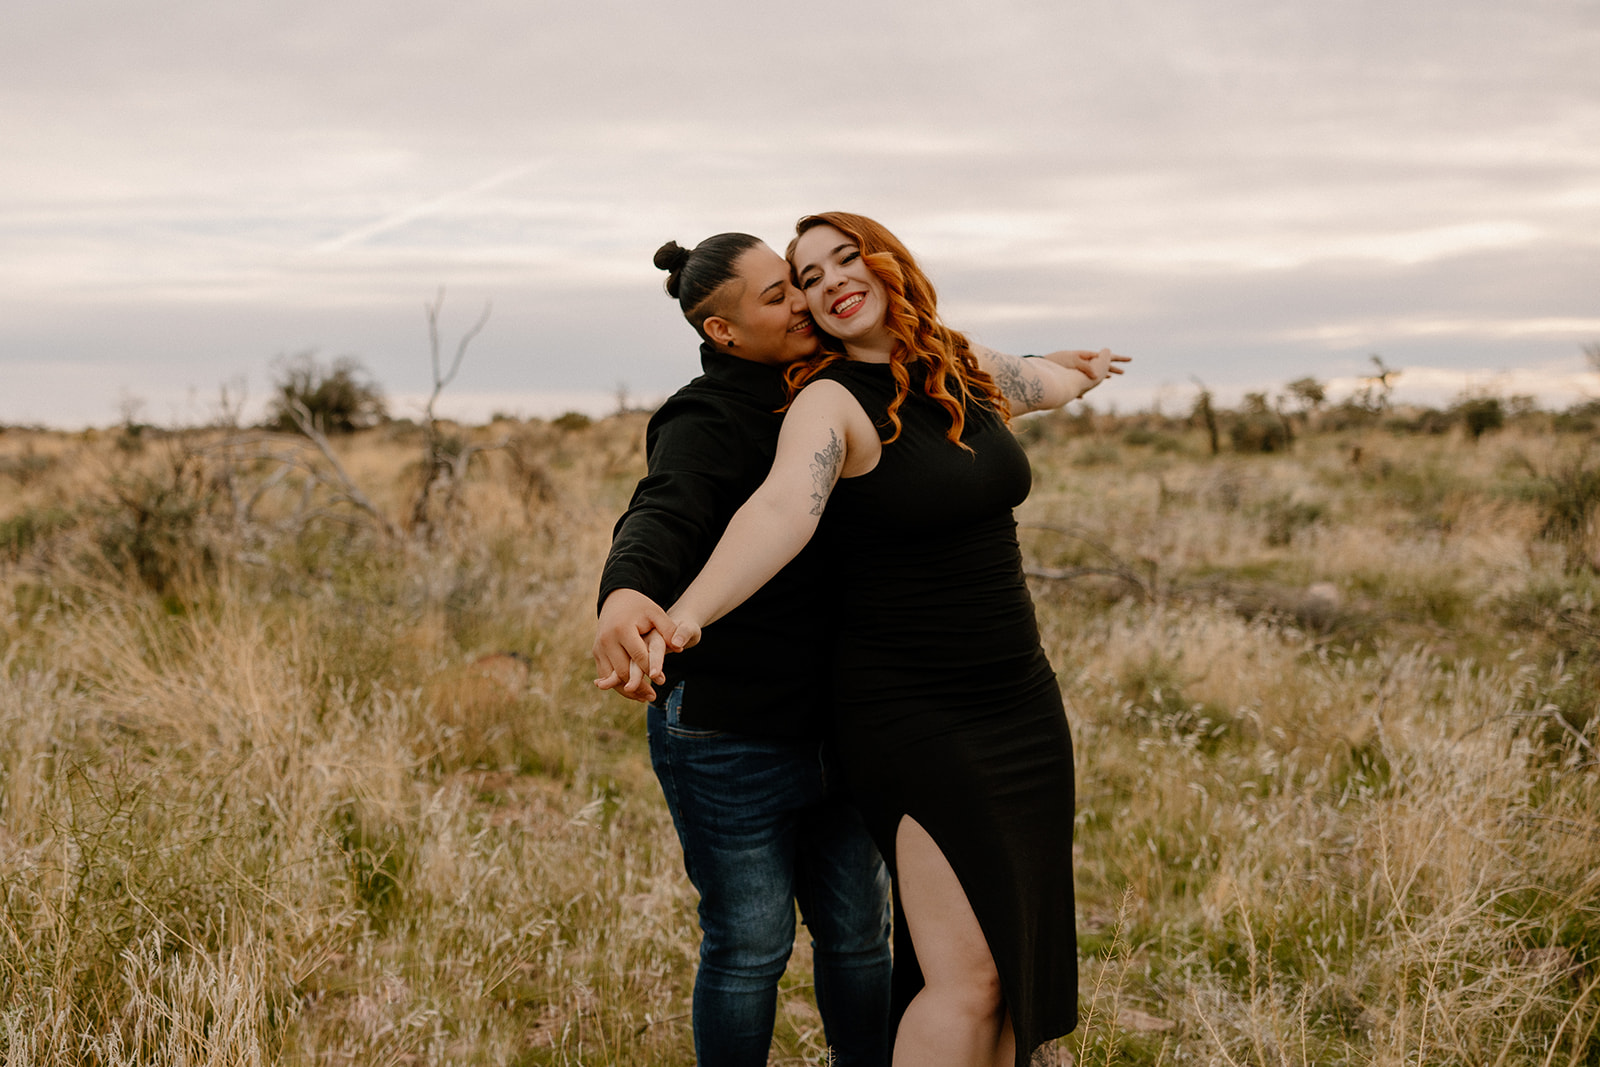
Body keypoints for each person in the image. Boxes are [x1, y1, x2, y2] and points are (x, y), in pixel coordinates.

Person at [648, 212, 1129, 1067]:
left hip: (1019, 700)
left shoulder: (954, 364)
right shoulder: (829, 402)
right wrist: (687, 612)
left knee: (1013, 961)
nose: (830, 280)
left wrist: (1081, 370)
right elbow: (781, 511)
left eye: (845, 257)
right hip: (916, 714)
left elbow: (1037, 382)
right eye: (806, 276)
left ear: (886, 262)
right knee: (966, 978)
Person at [592, 232, 894, 1067]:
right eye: (775, 297)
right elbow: (663, 509)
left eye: (794, 285)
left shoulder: (840, 387)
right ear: (721, 333)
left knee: (861, 934)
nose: (803, 301)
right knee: (749, 947)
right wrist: (626, 590)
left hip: (843, 723)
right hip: (732, 737)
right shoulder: (703, 418)